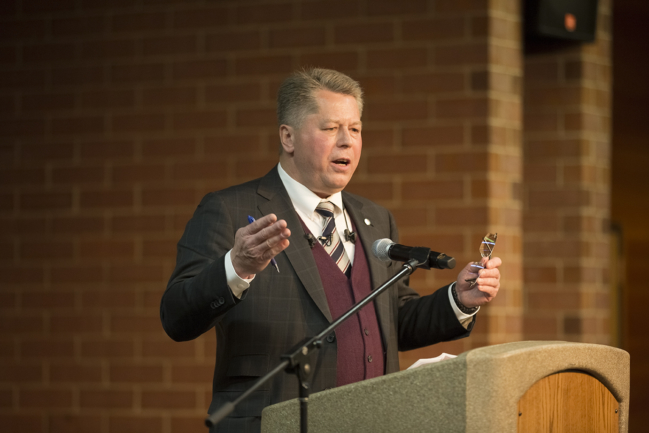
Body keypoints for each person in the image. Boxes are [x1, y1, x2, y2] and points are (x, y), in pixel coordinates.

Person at [160, 68, 502, 432]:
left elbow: (391, 321)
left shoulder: (375, 218)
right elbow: (177, 316)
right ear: (288, 137)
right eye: (330, 128)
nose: (347, 142)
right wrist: (237, 267)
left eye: (354, 129)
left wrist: (459, 300)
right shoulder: (228, 210)